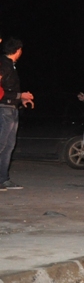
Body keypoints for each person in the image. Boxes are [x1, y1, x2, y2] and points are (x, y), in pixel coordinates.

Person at [0, 38, 35, 191]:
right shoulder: (4, 65)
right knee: (2, 145)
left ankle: (3, 179)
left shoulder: (10, 66)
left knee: (8, 146)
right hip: (4, 109)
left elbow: (9, 89)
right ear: (18, 50)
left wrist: (21, 99)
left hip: (11, 108)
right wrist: (20, 96)